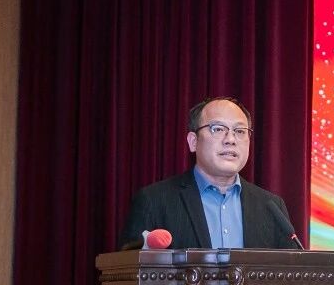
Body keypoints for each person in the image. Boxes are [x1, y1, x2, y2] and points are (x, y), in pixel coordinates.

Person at [119, 96, 299, 250]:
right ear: (193, 141)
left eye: (239, 131)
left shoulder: (271, 207)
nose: (230, 140)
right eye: (218, 129)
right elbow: (129, 270)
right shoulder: (154, 201)